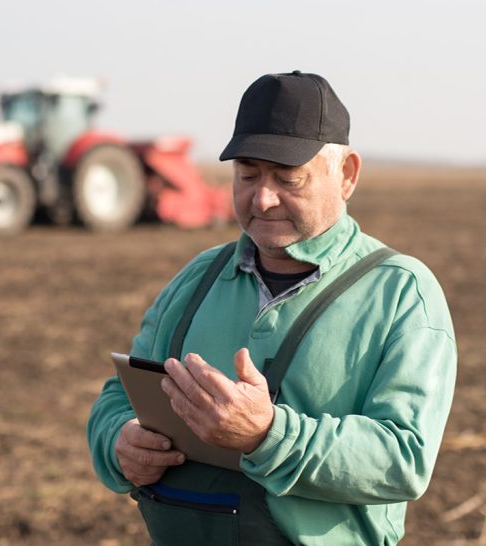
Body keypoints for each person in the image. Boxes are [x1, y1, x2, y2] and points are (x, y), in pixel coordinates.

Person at [86, 71, 457, 545]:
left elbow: (405, 458)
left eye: (288, 178)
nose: (262, 197)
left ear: (346, 175)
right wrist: (119, 442)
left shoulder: (402, 294)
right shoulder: (197, 278)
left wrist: (267, 435)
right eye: (247, 174)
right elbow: (119, 396)